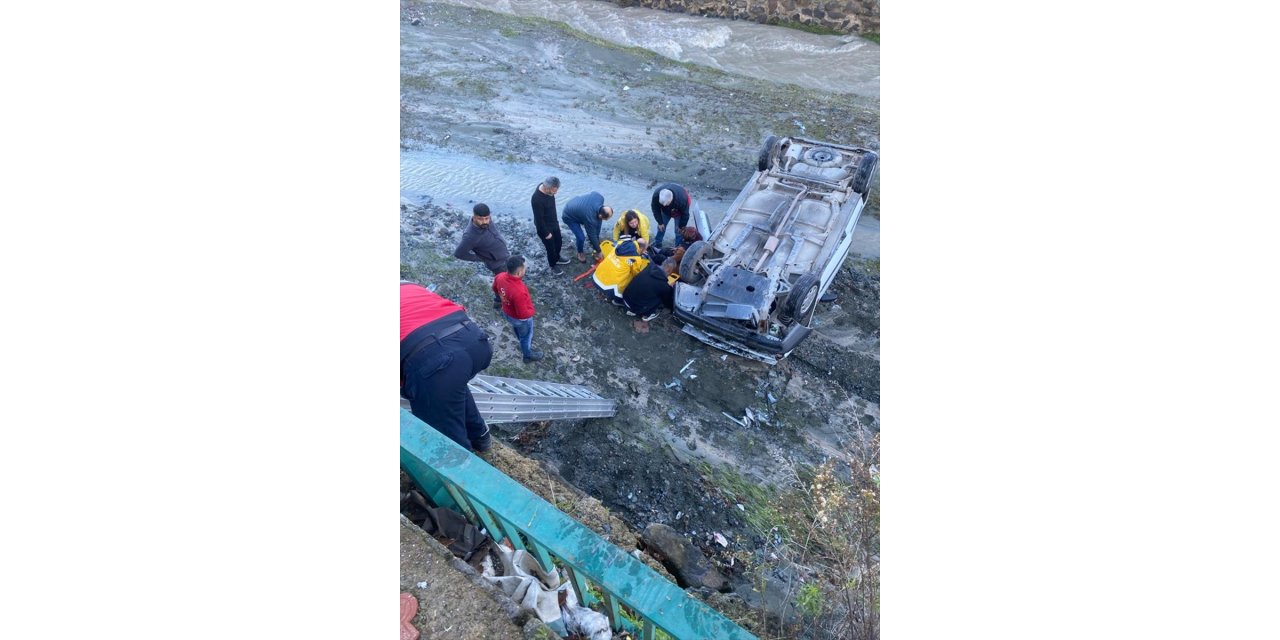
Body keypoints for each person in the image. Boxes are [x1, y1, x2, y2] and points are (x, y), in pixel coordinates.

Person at [400, 282, 493, 453]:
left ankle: (461, 471)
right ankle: (480, 437)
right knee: (450, 384)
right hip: (474, 340)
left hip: (435, 359)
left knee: (444, 440)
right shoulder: (407, 286)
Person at [453, 203, 511, 309]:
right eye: (480, 219)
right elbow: (459, 253)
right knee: (502, 284)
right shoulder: (470, 236)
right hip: (496, 263)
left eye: (487, 218)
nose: (484, 222)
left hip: (504, 255)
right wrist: (481, 258)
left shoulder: (487, 222)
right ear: (474, 217)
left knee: (509, 278)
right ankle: (499, 303)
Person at [492, 255, 543, 363]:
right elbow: (523, 314)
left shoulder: (500, 276)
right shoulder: (519, 291)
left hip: (507, 312)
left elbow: (495, 288)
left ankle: (519, 336)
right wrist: (532, 311)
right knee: (526, 336)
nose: (526, 269)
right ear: (519, 273)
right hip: (520, 319)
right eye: (525, 268)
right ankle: (527, 355)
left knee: (518, 329)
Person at [592, 239, 649, 306]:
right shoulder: (636, 258)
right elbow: (636, 274)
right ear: (641, 248)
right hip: (608, 288)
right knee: (630, 277)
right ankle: (617, 300)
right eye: (645, 249)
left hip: (596, 277)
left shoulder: (622, 242)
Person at [531, 177, 569, 274]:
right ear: (547, 188)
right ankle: (553, 265)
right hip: (544, 227)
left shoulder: (550, 191)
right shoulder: (537, 199)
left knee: (559, 242)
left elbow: (552, 208)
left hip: (553, 222)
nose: (554, 194)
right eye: (553, 191)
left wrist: (557, 223)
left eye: (555, 191)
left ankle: (558, 258)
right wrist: (546, 233)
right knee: (550, 248)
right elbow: (539, 220)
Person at [561, 191, 613, 263]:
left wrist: (596, 242)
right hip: (569, 216)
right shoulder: (590, 218)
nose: (607, 220)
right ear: (601, 215)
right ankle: (580, 252)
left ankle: (595, 244)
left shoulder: (600, 198)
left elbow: (593, 193)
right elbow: (591, 235)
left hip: (577, 206)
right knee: (581, 237)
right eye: (606, 219)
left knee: (598, 223)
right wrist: (599, 252)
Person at [650, 183, 692, 249]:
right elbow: (655, 208)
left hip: (679, 210)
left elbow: (685, 215)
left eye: (666, 204)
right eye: (662, 204)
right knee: (661, 227)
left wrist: (681, 227)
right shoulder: (656, 195)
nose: (664, 205)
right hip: (666, 211)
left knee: (678, 231)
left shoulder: (682, 200)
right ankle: (657, 243)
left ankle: (677, 247)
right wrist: (660, 222)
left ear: (671, 199)